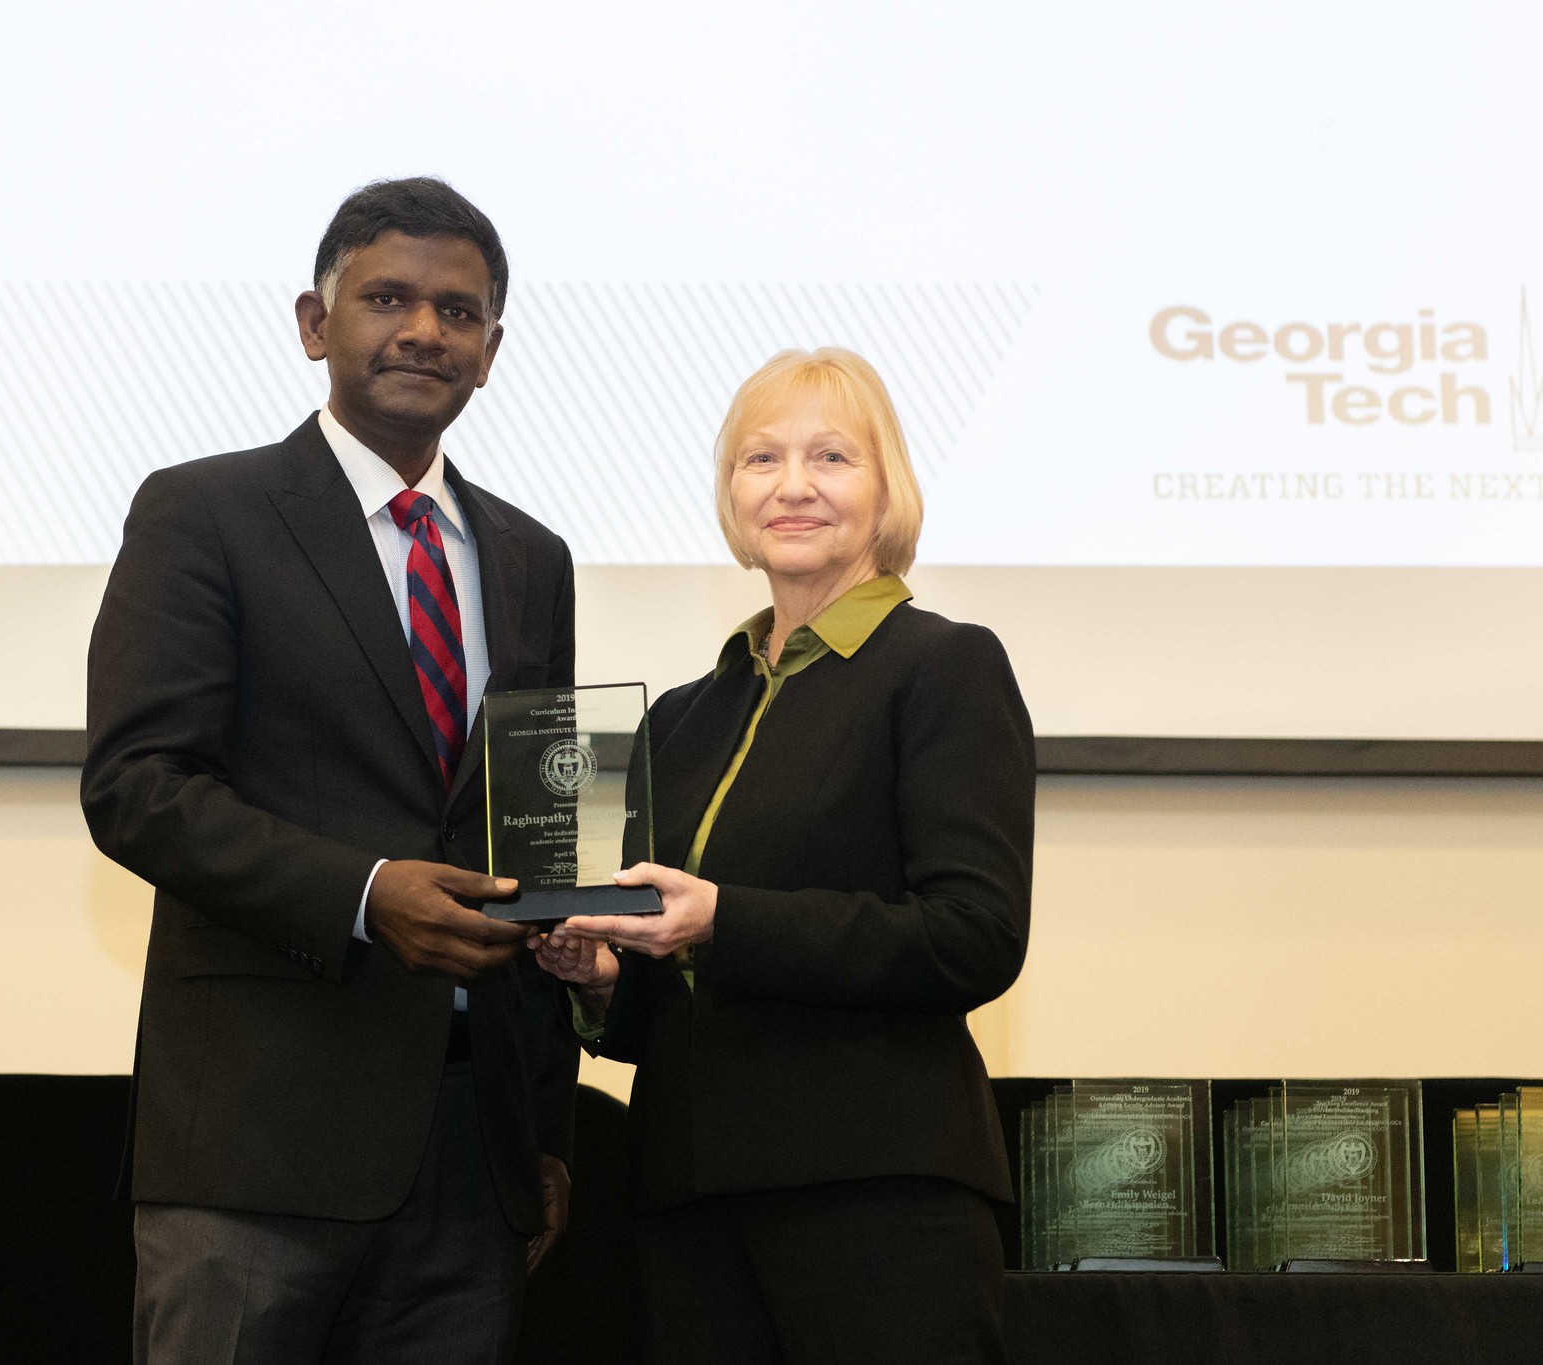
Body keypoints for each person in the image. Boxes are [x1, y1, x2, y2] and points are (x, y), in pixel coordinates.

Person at [82, 177, 579, 1365]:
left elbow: (541, 835)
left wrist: (543, 1132)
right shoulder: (204, 513)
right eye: (387, 298)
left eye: (457, 312)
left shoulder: (530, 559)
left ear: (491, 351)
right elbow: (138, 785)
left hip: (472, 1153)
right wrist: (364, 893)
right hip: (255, 1149)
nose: (422, 329)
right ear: (316, 323)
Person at [532, 347, 1035, 1364]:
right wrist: (597, 985)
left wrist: (723, 919)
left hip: (876, 1195)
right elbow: (673, 1003)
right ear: (730, 495)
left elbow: (973, 938)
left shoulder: (940, 667)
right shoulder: (679, 717)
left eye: (830, 458)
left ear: (884, 488)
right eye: (759, 460)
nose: (792, 486)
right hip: (688, 1199)